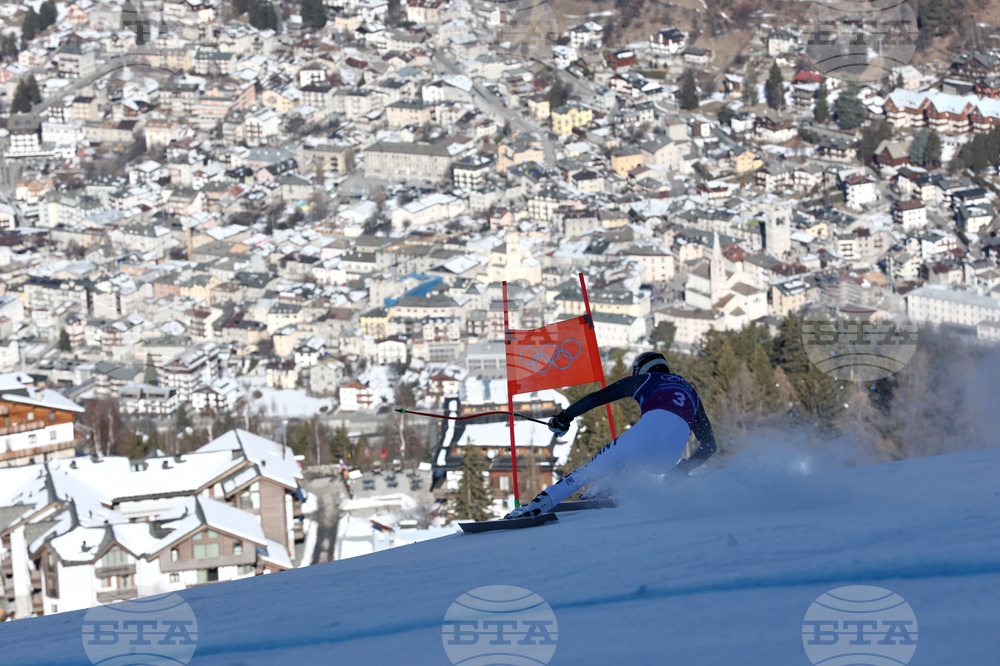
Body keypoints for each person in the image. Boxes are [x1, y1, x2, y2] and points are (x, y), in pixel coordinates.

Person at [505, 351, 717, 519]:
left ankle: (535, 507)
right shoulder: (691, 392)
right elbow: (710, 446)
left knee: (585, 473)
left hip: (645, 435)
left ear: (640, 370)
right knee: (635, 464)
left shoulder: (646, 379)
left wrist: (564, 418)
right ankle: (594, 496)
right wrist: (681, 470)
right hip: (668, 459)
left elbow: (597, 398)